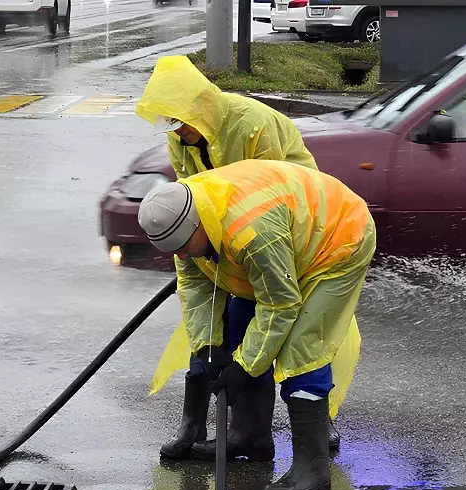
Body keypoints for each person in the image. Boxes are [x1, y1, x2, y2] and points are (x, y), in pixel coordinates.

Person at [138, 160, 376, 490]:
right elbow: (196, 286)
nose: (180, 255)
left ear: (198, 225)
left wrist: (244, 367)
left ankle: (313, 468)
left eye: (184, 247)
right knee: (236, 326)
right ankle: (250, 437)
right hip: (284, 240)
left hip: (336, 240)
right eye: (173, 250)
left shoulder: (251, 231)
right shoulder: (184, 223)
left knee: (301, 348)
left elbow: (280, 304)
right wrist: (211, 345)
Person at [135, 55, 326, 464]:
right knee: (210, 326)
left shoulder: (253, 124)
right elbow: (190, 197)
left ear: (199, 108)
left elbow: (277, 192)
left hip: (282, 231)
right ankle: (209, 425)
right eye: (168, 122)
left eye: (179, 120)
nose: (177, 131)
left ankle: (316, 421)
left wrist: (236, 251)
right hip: (218, 233)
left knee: (290, 328)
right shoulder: (180, 138)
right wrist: (196, 252)